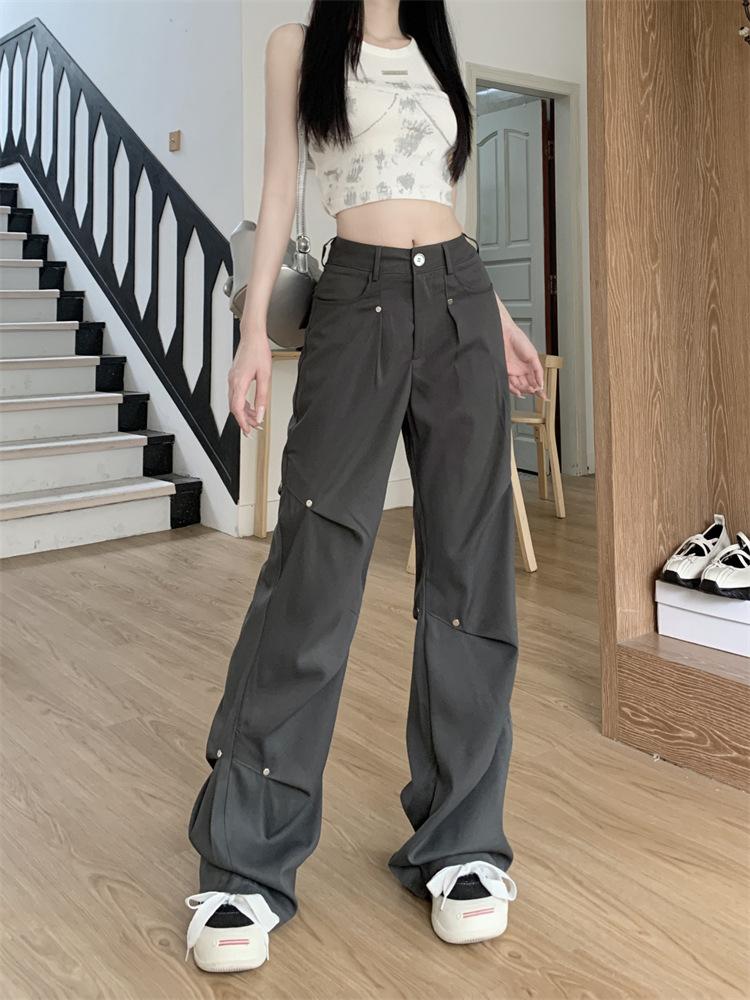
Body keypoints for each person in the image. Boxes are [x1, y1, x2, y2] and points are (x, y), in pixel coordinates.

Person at [185, 0, 545, 974]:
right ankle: (246, 859)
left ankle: (463, 840)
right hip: (357, 299)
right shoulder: (298, 47)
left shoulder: (436, 47)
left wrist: (500, 318)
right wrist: (251, 331)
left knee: (470, 572)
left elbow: (440, 196)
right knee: (315, 568)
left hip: (461, 299)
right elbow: (279, 186)